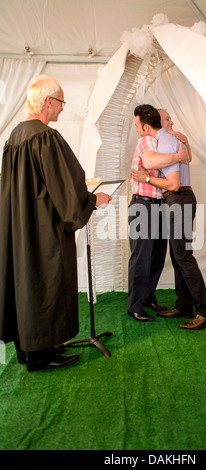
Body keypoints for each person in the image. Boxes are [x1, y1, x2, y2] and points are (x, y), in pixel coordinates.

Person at [0, 75, 111, 371]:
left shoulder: (14, 137)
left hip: (20, 227)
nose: (62, 109)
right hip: (43, 230)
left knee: (25, 284)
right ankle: (42, 355)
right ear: (48, 101)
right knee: (45, 284)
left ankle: (28, 349)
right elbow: (66, 189)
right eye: (61, 102)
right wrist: (92, 199)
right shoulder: (45, 137)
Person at [131, 108, 206, 329]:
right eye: (168, 119)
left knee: (182, 255)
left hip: (178, 198)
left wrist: (147, 178)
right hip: (177, 200)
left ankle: (205, 310)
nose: (171, 121)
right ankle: (184, 304)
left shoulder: (167, 142)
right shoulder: (170, 141)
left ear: (149, 124)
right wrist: (185, 148)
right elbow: (184, 160)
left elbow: (173, 184)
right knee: (178, 255)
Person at [128, 104, 188, 322]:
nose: (170, 123)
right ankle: (134, 305)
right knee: (141, 257)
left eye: (137, 125)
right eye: (167, 120)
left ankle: (147, 297)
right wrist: (178, 156)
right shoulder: (147, 140)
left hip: (157, 204)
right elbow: (150, 161)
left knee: (156, 256)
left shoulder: (160, 141)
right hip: (142, 204)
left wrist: (180, 152)